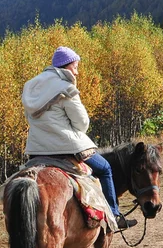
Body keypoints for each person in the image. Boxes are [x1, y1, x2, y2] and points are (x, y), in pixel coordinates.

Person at [22, 46, 137, 230]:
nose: (77, 71)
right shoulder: (66, 88)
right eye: (76, 66)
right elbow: (82, 124)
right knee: (105, 169)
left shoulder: (32, 88)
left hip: (36, 149)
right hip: (66, 147)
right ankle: (114, 216)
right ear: (67, 66)